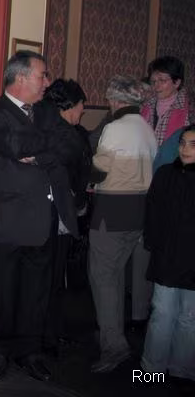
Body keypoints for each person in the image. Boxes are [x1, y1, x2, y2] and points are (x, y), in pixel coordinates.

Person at [0, 50, 54, 382]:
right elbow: (14, 147)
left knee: (35, 294)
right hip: (7, 219)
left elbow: (68, 147)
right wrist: (44, 148)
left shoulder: (46, 112)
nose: (47, 82)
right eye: (42, 75)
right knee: (3, 293)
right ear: (21, 77)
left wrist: (38, 152)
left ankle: (30, 353)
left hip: (43, 217)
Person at [89, 75, 157, 373]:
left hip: (112, 212)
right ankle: (112, 332)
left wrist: (84, 167)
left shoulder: (114, 128)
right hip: (139, 212)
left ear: (115, 100)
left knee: (103, 279)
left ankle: (114, 347)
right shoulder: (146, 128)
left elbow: (99, 172)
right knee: (116, 277)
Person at [34, 79, 92, 355]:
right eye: (81, 105)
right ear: (69, 105)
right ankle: (47, 338)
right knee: (52, 280)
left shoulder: (39, 128)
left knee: (48, 280)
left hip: (41, 215)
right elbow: (77, 178)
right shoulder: (69, 137)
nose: (83, 111)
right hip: (55, 215)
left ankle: (50, 334)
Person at [137, 56, 194, 323]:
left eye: (163, 80)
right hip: (145, 180)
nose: (156, 85)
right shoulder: (146, 106)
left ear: (177, 82)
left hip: (177, 183)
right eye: (154, 80)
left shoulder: (188, 110)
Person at [141, 125, 195, 382]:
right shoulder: (165, 174)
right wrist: (153, 244)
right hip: (167, 256)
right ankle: (152, 370)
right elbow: (152, 213)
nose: (185, 149)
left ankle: (182, 370)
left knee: (189, 317)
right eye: (183, 143)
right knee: (162, 312)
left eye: (192, 144)